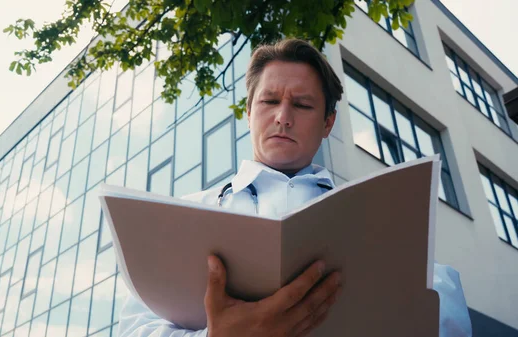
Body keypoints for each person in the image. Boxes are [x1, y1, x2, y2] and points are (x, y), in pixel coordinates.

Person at [117, 38, 472, 337]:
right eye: (270, 101)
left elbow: (444, 306)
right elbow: (135, 327)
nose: (283, 116)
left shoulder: (377, 216)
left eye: (302, 104)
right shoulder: (184, 215)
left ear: (328, 123)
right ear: (248, 111)